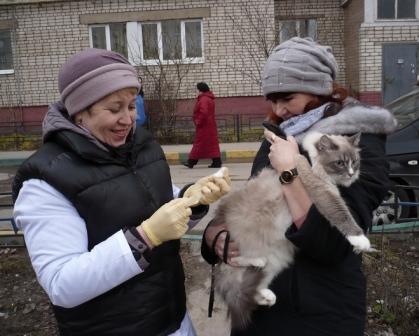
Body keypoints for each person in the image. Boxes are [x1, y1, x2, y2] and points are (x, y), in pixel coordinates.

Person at [12, 48, 231, 336]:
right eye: (115, 109)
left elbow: (160, 209)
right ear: (80, 111)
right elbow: (61, 284)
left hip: (174, 320)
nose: (128, 119)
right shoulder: (46, 181)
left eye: (131, 105)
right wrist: (145, 238)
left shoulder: (140, 147)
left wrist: (192, 199)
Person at [201, 37, 397, 335]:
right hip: (260, 311)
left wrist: (290, 171)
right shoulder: (281, 133)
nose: (279, 110)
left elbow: (334, 243)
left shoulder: (359, 141)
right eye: (273, 100)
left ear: (320, 90)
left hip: (317, 315)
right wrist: (216, 236)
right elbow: (249, 202)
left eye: (287, 98)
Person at [183, 82, 222, 168]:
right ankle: (217, 162)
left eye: (197, 89)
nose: (196, 91)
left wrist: (198, 122)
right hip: (209, 125)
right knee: (212, 145)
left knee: (199, 144)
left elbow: (203, 112)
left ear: (200, 90)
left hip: (204, 126)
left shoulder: (204, 99)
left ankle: (191, 162)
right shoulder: (208, 98)